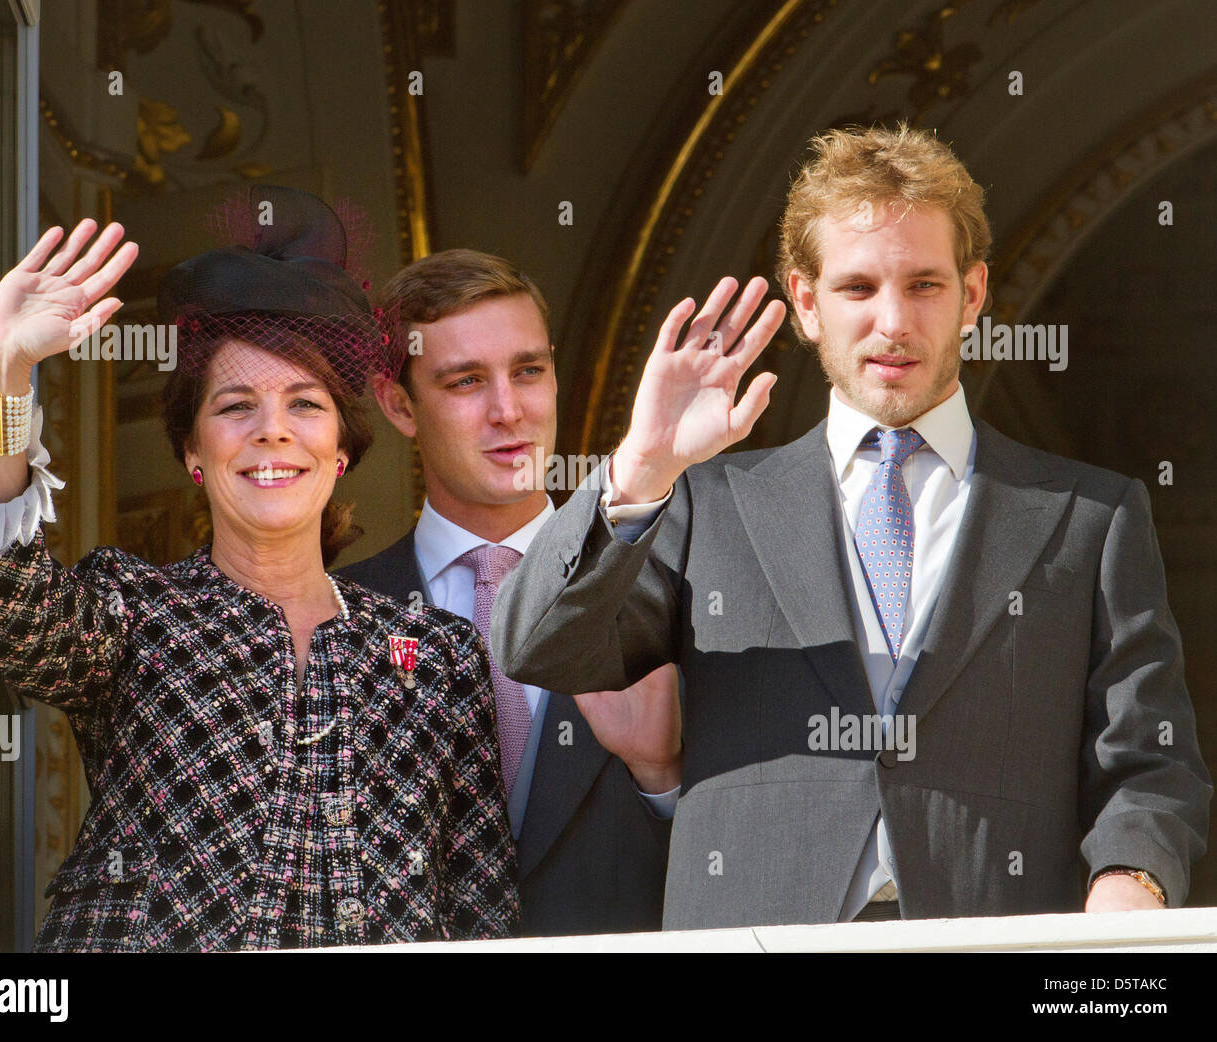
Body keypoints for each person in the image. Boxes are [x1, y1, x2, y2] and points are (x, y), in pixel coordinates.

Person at [491, 124, 1211, 929]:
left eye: (925, 285)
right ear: (804, 300)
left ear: (974, 294)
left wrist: (1126, 889)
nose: (894, 322)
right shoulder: (703, 503)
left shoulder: (1092, 517)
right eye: (858, 288)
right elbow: (536, 645)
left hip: (993, 945)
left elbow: (1151, 762)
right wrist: (641, 466)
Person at [0, 187, 518, 950]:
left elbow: (484, 911)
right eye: (235, 406)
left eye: (306, 405)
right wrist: (2, 370)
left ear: (342, 450)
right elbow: (6, 606)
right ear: (192, 451)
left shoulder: (437, 657)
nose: (272, 432)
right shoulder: (134, 611)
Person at [337, 249, 679, 935]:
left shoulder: (669, 586)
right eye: (465, 382)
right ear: (398, 404)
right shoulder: (336, 617)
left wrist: (663, 775)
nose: (508, 411)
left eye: (529, 371)